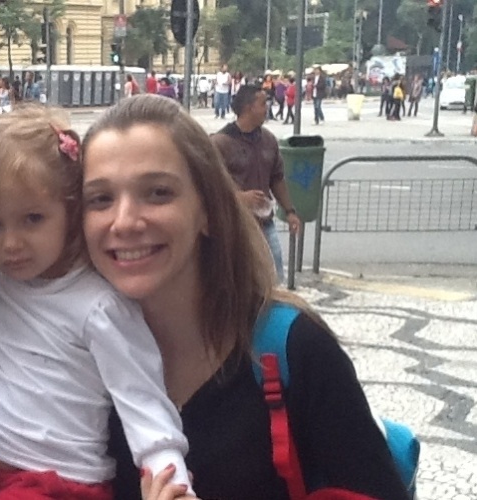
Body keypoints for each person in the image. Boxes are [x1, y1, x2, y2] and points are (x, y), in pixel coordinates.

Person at [81, 94, 411, 500]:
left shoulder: (293, 347)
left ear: (206, 209)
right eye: (100, 199)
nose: (125, 220)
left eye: (158, 193)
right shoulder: (72, 365)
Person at [0, 106, 193, 498]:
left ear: (71, 209)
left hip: (59, 484)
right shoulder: (4, 272)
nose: (11, 243)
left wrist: (171, 480)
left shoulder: (98, 307)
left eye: (33, 219)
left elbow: (142, 397)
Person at [210, 86, 301, 284]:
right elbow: (208, 185)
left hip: (264, 223)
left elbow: (277, 178)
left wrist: (290, 211)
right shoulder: (220, 143)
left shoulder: (268, 139)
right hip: (234, 226)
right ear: (249, 108)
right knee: (236, 280)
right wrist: (238, 198)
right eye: (262, 104)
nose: (267, 108)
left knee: (274, 277)